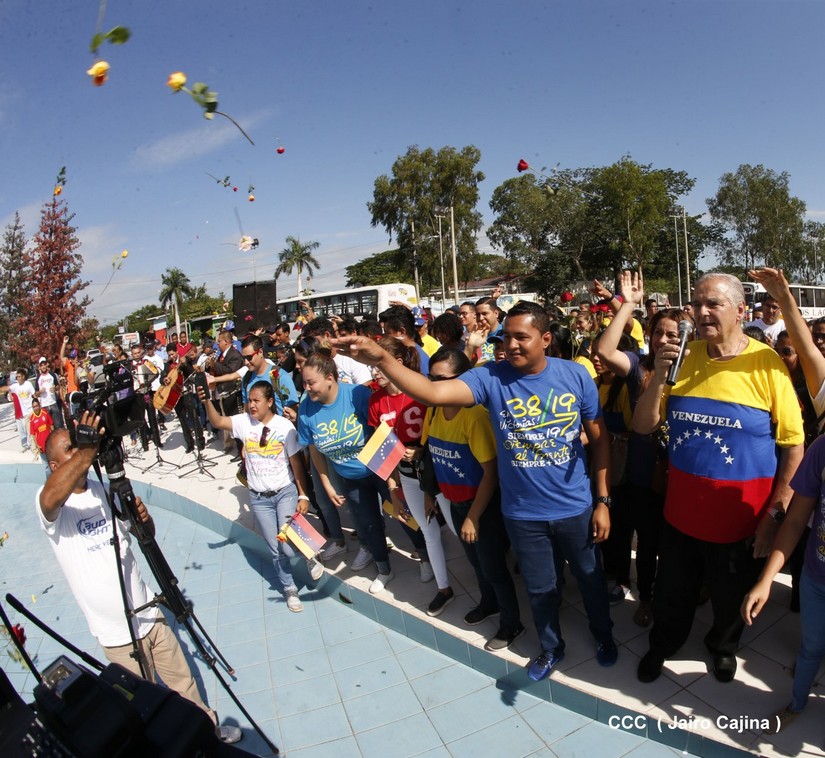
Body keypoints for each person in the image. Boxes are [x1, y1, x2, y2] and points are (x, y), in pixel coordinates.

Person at [333, 300, 617, 680]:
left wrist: (602, 501)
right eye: (507, 337)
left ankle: (604, 636)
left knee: (589, 578)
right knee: (540, 588)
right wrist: (382, 358)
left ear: (546, 339)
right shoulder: (490, 377)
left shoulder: (576, 376)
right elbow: (433, 393)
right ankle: (551, 648)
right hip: (523, 514)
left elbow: (599, 440)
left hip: (575, 506)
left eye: (522, 337)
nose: (511, 345)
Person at [633, 272, 804, 684]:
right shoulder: (681, 357)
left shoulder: (767, 364)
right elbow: (643, 425)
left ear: (741, 311)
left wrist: (774, 514)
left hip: (739, 522)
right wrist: (659, 377)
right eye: (697, 303)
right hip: (681, 515)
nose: (702, 312)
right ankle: (663, 644)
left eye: (713, 303)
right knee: (672, 591)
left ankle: (722, 647)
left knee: (730, 597)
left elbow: (793, 446)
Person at [37, 415, 241, 744]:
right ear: (54, 463)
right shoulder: (52, 507)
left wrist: (143, 519)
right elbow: (50, 498)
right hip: (116, 634)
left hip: (149, 613)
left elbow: (146, 535)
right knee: (144, 707)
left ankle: (208, 733)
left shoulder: (105, 490)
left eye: (79, 445)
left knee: (184, 683)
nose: (79, 450)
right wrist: (86, 453)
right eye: (70, 448)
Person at [423, 348, 524, 650]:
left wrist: (473, 516)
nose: (432, 386)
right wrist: (430, 494)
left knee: (493, 567)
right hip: (455, 504)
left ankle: (512, 624)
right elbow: (434, 456)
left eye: (440, 379)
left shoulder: (475, 416)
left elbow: (490, 473)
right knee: (476, 563)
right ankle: (488, 603)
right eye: (430, 378)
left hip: (481, 507)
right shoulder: (435, 411)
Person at [201, 382, 319, 610]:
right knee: (275, 548)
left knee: (286, 543)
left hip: (285, 492)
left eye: (257, 400)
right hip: (259, 499)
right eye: (249, 400)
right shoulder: (243, 422)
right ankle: (289, 589)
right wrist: (206, 399)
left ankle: (310, 555)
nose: (252, 405)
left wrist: (303, 495)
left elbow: (296, 464)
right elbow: (217, 422)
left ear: (270, 401)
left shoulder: (284, 426)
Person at [741, 433, 825, 734]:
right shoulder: (822, 448)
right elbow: (795, 521)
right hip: (816, 579)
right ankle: (797, 704)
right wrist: (766, 580)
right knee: (811, 648)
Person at [297, 350, 394, 593]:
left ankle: (425, 557)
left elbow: (380, 429)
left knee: (403, 516)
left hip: (381, 470)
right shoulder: (306, 410)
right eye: (304, 383)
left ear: (330, 378)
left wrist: (393, 477)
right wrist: (327, 484)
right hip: (350, 478)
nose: (306, 388)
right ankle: (384, 569)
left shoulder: (357, 394)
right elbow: (315, 451)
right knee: (370, 524)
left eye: (311, 382)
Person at [369, 338, 454, 615]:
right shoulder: (375, 401)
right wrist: (393, 488)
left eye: (378, 365)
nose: (374, 372)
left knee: (457, 529)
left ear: (397, 363)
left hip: (438, 472)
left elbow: (443, 427)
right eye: (372, 367)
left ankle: (488, 587)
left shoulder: (420, 388)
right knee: (428, 532)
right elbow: (383, 449)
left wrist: (421, 451)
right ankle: (444, 589)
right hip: (407, 477)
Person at [10, 368, 35, 452]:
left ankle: (34, 446)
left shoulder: (28, 384)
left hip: (31, 411)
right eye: (16, 377)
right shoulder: (15, 386)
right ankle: (29, 446)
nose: (17, 378)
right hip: (23, 413)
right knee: (26, 430)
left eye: (19, 377)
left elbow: (34, 395)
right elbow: (7, 389)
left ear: (23, 376)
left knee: (31, 430)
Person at [29, 397, 54, 470]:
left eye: (37, 406)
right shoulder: (32, 419)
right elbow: (33, 434)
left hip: (49, 444)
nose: (35, 408)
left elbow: (51, 425)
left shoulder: (45, 413)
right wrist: (37, 446)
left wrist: (53, 439)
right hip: (41, 446)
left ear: (39, 405)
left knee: (53, 462)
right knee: (46, 466)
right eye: (34, 407)